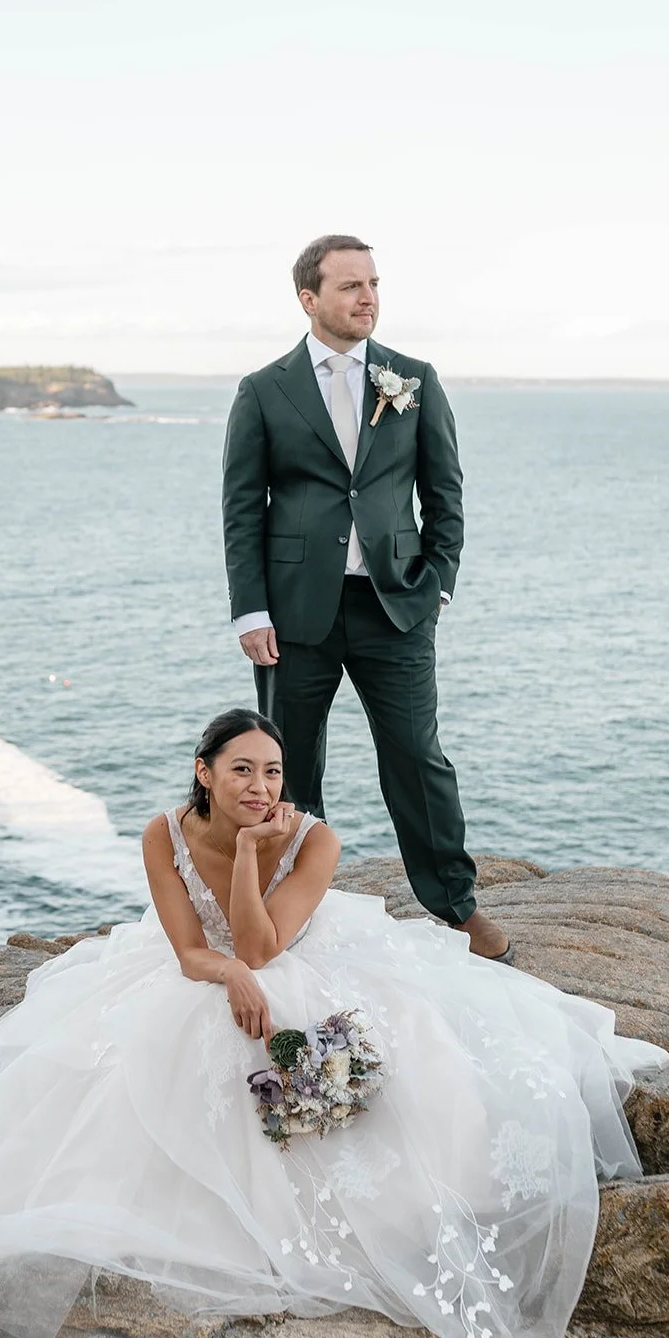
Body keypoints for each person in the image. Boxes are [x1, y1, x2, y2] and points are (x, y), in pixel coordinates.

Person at [0, 709, 669, 1338]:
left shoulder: (312, 840)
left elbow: (265, 946)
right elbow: (188, 950)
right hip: (204, 967)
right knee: (184, 1034)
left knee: (359, 1042)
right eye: (241, 769)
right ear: (203, 771)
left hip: (296, 957)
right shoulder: (161, 833)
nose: (260, 784)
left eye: (272, 771)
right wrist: (229, 977)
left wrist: (248, 857)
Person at [222, 234, 510, 962]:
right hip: (293, 615)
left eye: (373, 284)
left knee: (417, 757)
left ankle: (454, 907)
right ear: (308, 299)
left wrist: (437, 581)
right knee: (287, 767)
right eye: (349, 286)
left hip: (394, 606)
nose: (367, 298)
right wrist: (250, 610)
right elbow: (241, 507)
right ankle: (291, 910)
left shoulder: (412, 378)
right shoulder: (263, 388)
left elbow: (444, 492)